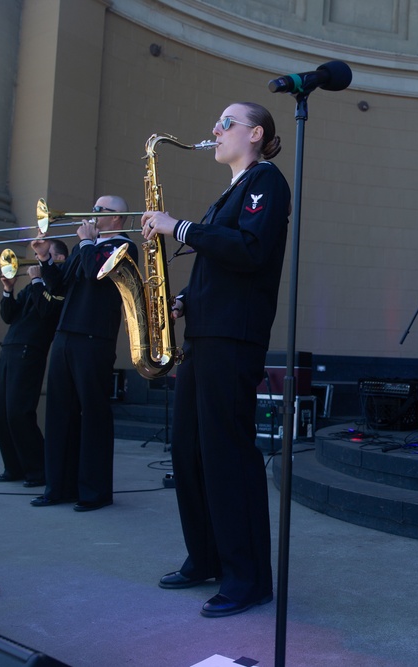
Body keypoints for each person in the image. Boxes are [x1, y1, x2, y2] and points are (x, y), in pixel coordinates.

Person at [141, 102, 289, 618]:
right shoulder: (227, 192)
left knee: (227, 455)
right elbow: (218, 266)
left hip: (233, 339)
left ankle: (247, 580)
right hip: (207, 334)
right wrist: (184, 301)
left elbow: (247, 250)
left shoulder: (267, 183)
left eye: (225, 123)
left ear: (255, 133)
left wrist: (177, 228)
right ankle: (205, 557)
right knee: (188, 451)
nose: (214, 130)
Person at [29, 197, 138, 511]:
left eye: (100, 210)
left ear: (117, 218)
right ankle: (58, 486)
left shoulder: (124, 248)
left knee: (93, 415)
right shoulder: (84, 247)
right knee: (59, 413)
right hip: (66, 336)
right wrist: (46, 260)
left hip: (94, 339)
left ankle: (94, 491)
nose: (93, 213)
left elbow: (95, 273)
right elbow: (62, 287)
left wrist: (88, 242)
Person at [0, 240, 68, 488]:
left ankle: (38, 470)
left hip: (29, 350)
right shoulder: (32, 287)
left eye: (47, 255)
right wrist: (8, 290)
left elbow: (47, 311)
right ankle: (14, 467)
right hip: (9, 348)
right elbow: (9, 316)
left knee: (19, 412)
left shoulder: (60, 284)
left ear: (60, 259)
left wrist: (37, 281)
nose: (38, 259)